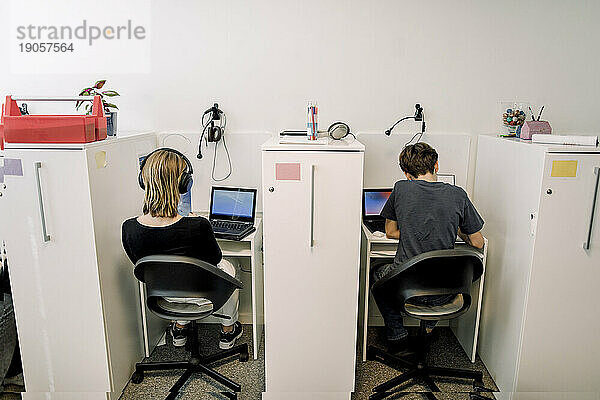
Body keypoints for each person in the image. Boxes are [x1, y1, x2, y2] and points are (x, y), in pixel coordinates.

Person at [121, 149, 242, 350]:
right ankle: (228, 332)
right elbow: (215, 259)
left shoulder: (129, 228)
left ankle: (179, 328)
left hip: (164, 298)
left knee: (180, 274)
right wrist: (194, 222)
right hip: (205, 298)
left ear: (144, 182)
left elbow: (142, 270)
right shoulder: (198, 226)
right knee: (230, 267)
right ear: (182, 184)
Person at [372, 142, 484, 351]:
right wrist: (455, 230)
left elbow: (390, 232)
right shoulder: (458, 194)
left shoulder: (401, 188)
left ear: (406, 173)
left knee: (377, 274)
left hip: (406, 289)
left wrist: (415, 230)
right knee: (437, 278)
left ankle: (397, 336)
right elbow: (478, 242)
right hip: (446, 291)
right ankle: (429, 330)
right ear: (437, 165)